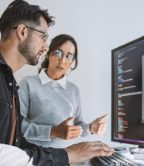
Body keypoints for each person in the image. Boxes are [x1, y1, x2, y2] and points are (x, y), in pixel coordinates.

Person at [0, 0, 114, 165]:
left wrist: (87, 132)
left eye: (69, 56)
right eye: (43, 36)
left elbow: (17, 144)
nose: (45, 46)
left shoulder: (10, 83)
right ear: (23, 31)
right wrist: (64, 151)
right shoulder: (27, 84)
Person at [19, 34, 107, 149]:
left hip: (65, 155)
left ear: (73, 62)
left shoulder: (73, 90)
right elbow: (18, 125)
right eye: (58, 53)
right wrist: (53, 132)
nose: (62, 60)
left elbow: (77, 126)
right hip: (34, 154)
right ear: (48, 54)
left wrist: (90, 128)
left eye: (69, 56)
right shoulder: (28, 83)